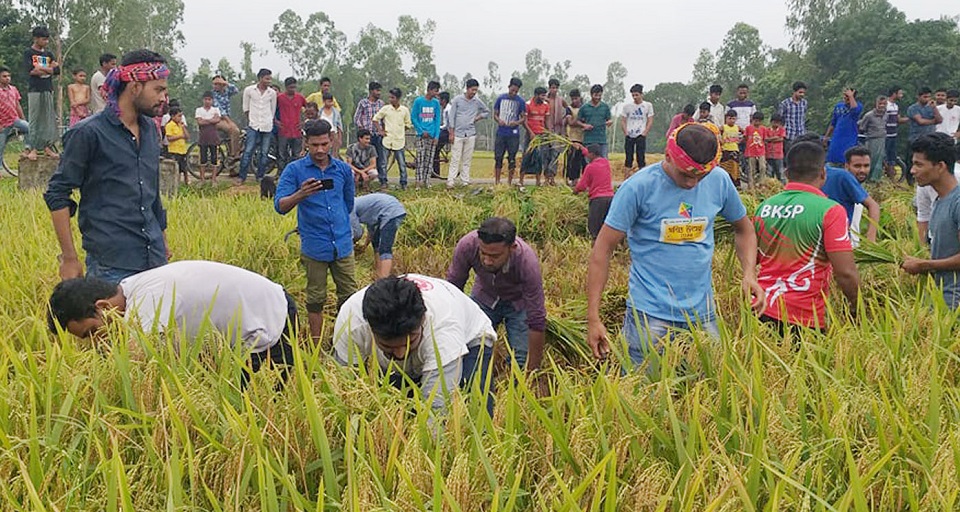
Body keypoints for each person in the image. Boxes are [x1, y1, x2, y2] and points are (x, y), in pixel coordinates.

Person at [586, 122, 763, 368]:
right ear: (668, 155)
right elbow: (602, 251)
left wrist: (749, 274)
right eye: (685, 175)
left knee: (708, 390)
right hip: (649, 316)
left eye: (700, 176)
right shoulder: (638, 188)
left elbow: (744, 229)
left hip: (703, 313)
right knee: (643, 394)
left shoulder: (719, 180)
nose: (692, 184)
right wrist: (593, 317)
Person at [48, 261, 297, 386]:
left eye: (93, 332)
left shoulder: (146, 301)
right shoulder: (131, 289)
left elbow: (137, 371)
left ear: (103, 306)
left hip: (270, 317)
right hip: (236, 338)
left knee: (254, 414)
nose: (97, 342)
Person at [44, 49, 170, 284]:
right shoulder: (88, 133)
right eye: (159, 90)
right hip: (111, 265)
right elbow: (57, 193)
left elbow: (152, 193)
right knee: (111, 322)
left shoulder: (152, 131)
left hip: (154, 260)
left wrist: (161, 239)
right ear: (134, 87)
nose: (164, 98)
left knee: (157, 322)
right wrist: (70, 258)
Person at [333, 275, 496, 414]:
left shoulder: (443, 330)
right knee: (399, 409)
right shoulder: (351, 322)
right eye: (388, 346)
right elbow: (345, 385)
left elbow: (436, 408)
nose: (400, 354)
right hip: (423, 346)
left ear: (423, 320)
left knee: (473, 407)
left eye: (409, 342)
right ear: (370, 329)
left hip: (471, 340)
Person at [754, 141, 859, 334]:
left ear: (786, 174)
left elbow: (755, 259)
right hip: (802, 316)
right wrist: (856, 306)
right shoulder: (831, 210)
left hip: (760, 309)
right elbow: (845, 272)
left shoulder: (765, 207)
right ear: (823, 173)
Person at [275, 120, 357, 340]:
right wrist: (300, 195)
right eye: (314, 145)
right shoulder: (294, 170)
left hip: (342, 244)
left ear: (331, 141)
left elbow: (348, 203)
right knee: (315, 299)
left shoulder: (342, 170)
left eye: (323, 144)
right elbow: (280, 206)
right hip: (315, 246)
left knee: (350, 297)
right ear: (306, 144)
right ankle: (316, 346)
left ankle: (345, 342)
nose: (320, 150)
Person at [447, 217, 547, 372]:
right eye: (483, 253)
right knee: (473, 353)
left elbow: (537, 318)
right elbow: (452, 289)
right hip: (484, 297)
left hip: (518, 304)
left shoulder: (527, 262)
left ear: (512, 248)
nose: (486, 261)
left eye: (494, 256)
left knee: (521, 359)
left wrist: (532, 372)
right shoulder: (467, 245)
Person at [901, 133, 960, 308]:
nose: (912, 171)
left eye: (919, 164)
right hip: (942, 298)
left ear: (940, 166)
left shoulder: (957, 203)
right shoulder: (939, 201)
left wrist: (924, 265)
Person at [822, 145, 881, 246]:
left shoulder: (830, 174)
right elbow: (873, 206)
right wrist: (871, 241)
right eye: (857, 166)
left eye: (866, 166)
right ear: (846, 166)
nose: (862, 170)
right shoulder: (845, 177)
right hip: (839, 242)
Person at [23, 26, 60, 160]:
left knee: (48, 119)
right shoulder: (29, 53)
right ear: (36, 38)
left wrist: (43, 68)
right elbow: (32, 71)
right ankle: (33, 148)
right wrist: (48, 68)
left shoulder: (48, 54)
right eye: (43, 39)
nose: (46, 42)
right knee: (35, 119)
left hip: (47, 89)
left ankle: (47, 147)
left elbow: (57, 71)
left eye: (47, 39)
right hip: (35, 90)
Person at [350, 192, 407, 278]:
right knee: (375, 242)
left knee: (385, 248)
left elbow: (357, 233)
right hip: (388, 208)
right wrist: (365, 246)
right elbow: (371, 231)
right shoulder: (364, 208)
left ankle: (383, 281)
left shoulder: (349, 208)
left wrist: (350, 244)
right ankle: (378, 273)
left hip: (391, 211)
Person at [447, 78, 490, 187]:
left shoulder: (477, 101)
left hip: (470, 133)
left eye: (476, 90)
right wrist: (451, 132)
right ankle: (451, 180)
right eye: (472, 90)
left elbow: (487, 111)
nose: (474, 92)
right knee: (455, 158)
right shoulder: (457, 100)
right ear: (467, 88)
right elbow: (451, 116)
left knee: (467, 159)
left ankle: (465, 180)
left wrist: (478, 117)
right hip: (458, 133)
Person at [239, 68, 277, 184]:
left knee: (264, 153)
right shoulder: (249, 90)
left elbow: (272, 109)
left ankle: (260, 176)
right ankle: (242, 177)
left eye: (270, 78)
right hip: (253, 125)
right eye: (267, 78)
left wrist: (268, 120)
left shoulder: (272, 93)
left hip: (266, 125)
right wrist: (251, 120)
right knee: (248, 152)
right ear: (260, 78)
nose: (269, 81)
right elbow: (246, 108)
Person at [372, 88, 413, 189]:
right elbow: (375, 119)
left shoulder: (404, 110)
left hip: (399, 140)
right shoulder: (386, 109)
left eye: (393, 97)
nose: (390, 99)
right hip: (387, 139)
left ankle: (403, 182)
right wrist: (380, 131)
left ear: (398, 98)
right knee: (383, 163)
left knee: (402, 163)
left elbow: (408, 124)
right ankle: (383, 181)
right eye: (390, 97)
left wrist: (400, 130)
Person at [574, 144, 615, 240]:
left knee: (594, 229)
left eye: (588, 154)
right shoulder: (606, 163)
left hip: (598, 200)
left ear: (592, 154)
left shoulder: (590, 167)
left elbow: (582, 186)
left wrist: (575, 191)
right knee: (606, 227)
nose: (587, 156)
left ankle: (595, 250)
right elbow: (586, 152)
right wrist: (581, 148)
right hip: (610, 198)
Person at [904, 87, 943, 185]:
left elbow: (939, 120)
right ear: (918, 97)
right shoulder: (913, 108)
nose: (927, 99)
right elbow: (920, 121)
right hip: (915, 138)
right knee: (912, 160)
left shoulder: (932, 107)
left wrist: (934, 108)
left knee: (928, 160)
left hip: (930, 138)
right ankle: (910, 180)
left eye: (929, 97)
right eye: (925, 97)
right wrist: (933, 121)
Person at [493, 77, 526, 186]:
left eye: (516, 91)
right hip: (501, 132)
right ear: (509, 87)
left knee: (512, 158)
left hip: (513, 134)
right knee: (498, 157)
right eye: (512, 90)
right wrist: (499, 120)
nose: (514, 93)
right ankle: (497, 182)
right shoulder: (500, 98)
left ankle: (509, 182)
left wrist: (516, 123)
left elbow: (523, 118)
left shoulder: (520, 101)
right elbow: (495, 115)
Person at [354, 82, 386, 185]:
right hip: (367, 136)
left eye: (379, 91)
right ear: (371, 91)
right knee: (363, 158)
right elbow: (357, 118)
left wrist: (383, 130)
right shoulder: (363, 103)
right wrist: (362, 130)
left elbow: (384, 119)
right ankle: (362, 180)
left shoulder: (381, 104)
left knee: (381, 158)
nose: (379, 93)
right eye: (377, 91)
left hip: (378, 135)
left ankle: (383, 181)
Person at [411, 81, 442, 188]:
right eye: (435, 91)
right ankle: (418, 182)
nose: (436, 93)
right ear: (429, 90)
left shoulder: (436, 103)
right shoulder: (418, 101)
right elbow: (414, 117)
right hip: (421, 135)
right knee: (420, 158)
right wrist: (420, 131)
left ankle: (427, 181)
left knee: (429, 159)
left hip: (432, 135)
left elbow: (437, 120)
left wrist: (436, 136)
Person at [825, 88, 863, 166]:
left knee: (847, 157)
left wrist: (851, 96)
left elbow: (854, 110)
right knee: (833, 157)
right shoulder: (838, 106)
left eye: (848, 96)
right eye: (845, 96)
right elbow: (833, 122)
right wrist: (826, 136)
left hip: (850, 137)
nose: (845, 98)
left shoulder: (858, 105)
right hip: (837, 136)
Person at [622, 84, 654, 173]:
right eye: (633, 95)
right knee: (628, 158)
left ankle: (642, 178)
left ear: (641, 94)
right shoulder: (627, 106)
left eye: (637, 95)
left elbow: (650, 120)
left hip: (641, 134)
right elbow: (623, 120)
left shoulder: (647, 105)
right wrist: (626, 132)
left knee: (641, 158)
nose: (635, 97)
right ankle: (626, 179)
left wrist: (645, 132)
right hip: (630, 134)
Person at [276, 77, 306, 172]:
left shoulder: (300, 98)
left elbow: (309, 108)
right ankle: (281, 172)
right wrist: (275, 121)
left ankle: (296, 172)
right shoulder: (280, 98)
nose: (292, 90)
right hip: (283, 130)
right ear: (286, 87)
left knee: (296, 154)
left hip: (296, 130)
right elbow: (271, 110)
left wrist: (303, 121)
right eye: (290, 88)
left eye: (294, 87)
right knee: (282, 153)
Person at [0, 66, 29, 163]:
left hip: (14, 119)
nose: (7, 78)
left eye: (9, 76)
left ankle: (27, 149)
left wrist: (23, 118)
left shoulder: (13, 89)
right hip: (2, 123)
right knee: (1, 146)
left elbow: (17, 105)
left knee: (30, 128)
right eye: (4, 76)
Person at [523, 86, 550, 187]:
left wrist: (548, 132)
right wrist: (530, 133)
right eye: (542, 95)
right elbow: (524, 121)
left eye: (545, 95)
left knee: (540, 158)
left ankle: (538, 182)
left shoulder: (546, 105)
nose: (544, 98)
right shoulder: (528, 104)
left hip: (541, 135)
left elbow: (546, 120)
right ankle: (521, 181)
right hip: (530, 135)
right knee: (527, 156)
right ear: (536, 95)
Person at [858, 96, 889, 182]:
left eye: (884, 104)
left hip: (882, 139)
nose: (882, 106)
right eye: (880, 103)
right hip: (872, 140)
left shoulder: (886, 115)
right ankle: (867, 179)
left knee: (880, 161)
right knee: (871, 159)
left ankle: (876, 180)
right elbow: (862, 127)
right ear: (876, 104)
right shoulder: (869, 115)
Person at [577, 84, 612, 159]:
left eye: (599, 95)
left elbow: (609, 119)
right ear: (591, 94)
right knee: (589, 162)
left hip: (601, 140)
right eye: (596, 95)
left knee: (603, 160)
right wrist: (584, 126)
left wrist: (609, 122)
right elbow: (577, 121)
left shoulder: (605, 107)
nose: (598, 98)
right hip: (589, 140)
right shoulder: (584, 107)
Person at [211, 75, 240, 162]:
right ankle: (234, 155)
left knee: (238, 137)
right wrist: (230, 122)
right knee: (235, 130)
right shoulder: (213, 94)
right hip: (217, 119)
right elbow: (221, 111)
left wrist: (225, 83)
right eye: (214, 84)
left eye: (218, 84)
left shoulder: (226, 92)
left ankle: (232, 165)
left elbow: (236, 90)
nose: (215, 86)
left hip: (226, 118)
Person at [194, 91, 221, 182]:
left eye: (209, 99)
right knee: (202, 159)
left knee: (214, 159)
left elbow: (217, 120)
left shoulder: (216, 109)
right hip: (203, 138)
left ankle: (213, 179)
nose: (207, 101)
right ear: (203, 100)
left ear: (212, 100)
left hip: (213, 137)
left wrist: (205, 120)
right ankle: (202, 179)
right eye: (206, 99)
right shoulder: (199, 110)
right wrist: (211, 120)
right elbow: (199, 122)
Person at [544, 78, 567, 179]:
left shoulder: (560, 100)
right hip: (545, 130)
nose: (554, 90)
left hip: (557, 131)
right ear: (549, 88)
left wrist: (565, 119)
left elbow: (568, 109)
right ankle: (545, 177)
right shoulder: (545, 100)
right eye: (553, 88)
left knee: (555, 154)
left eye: (556, 88)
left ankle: (552, 177)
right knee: (545, 154)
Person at [884, 86, 907, 179]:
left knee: (892, 156)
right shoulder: (886, 104)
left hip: (893, 134)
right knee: (885, 156)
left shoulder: (895, 106)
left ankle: (891, 178)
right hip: (886, 134)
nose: (901, 95)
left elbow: (898, 120)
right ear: (894, 94)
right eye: (900, 93)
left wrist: (910, 118)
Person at [777, 81, 808, 150]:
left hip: (801, 135)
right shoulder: (785, 103)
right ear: (794, 92)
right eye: (800, 92)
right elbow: (779, 119)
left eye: (803, 93)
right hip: (789, 135)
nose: (802, 95)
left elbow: (803, 117)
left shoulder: (804, 103)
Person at [564, 89, 586, 185]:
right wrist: (580, 122)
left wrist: (578, 122)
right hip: (572, 138)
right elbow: (570, 123)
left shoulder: (585, 108)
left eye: (576, 99)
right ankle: (571, 179)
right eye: (572, 99)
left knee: (582, 161)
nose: (574, 101)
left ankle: (582, 180)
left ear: (580, 98)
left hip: (583, 138)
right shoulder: (569, 109)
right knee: (571, 160)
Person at [164, 107, 189, 184]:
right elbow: (169, 138)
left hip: (182, 150)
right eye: (179, 116)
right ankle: (175, 183)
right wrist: (180, 136)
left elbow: (187, 136)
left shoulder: (180, 125)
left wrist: (183, 127)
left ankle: (186, 183)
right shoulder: (169, 125)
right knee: (176, 169)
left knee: (185, 169)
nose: (180, 118)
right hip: (174, 151)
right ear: (172, 116)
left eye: (181, 116)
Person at [743, 111, 767, 187]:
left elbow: (764, 139)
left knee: (762, 167)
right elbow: (745, 138)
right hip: (751, 151)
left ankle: (762, 183)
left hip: (761, 151)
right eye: (755, 121)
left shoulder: (763, 129)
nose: (757, 123)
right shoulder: (748, 128)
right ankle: (751, 185)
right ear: (752, 120)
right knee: (751, 169)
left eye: (759, 121)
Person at [720, 110, 743, 188]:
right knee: (725, 167)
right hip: (726, 150)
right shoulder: (723, 127)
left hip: (735, 150)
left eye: (733, 119)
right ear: (726, 118)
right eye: (730, 118)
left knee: (735, 167)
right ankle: (724, 184)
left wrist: (740, 140)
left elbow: (745, 133)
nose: (732, 120)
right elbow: (716, 133)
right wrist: (721, 141)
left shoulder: (737, 127)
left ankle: (735, 185)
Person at [319, 92, 343, 156]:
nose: (331, 103)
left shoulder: (336, 112)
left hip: (333, 134)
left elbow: (339, 126)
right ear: (324, 101)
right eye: (329, 101)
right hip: (322, 134)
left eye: (331, 101)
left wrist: (340, 138)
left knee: (334, 154)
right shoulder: (319, 111)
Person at [433, 90, 451, 178]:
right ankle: (435, 172)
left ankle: (435, 173)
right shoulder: (444, 109)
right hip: (445, 130)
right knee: (435, 151)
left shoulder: (448, 110)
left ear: (443, 100)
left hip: (447, 132)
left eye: (439, 99)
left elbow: (447, 125)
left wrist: (438, 127)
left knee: (434, 149)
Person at [766, 113, 787, 181]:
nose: (776, 124)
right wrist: (776, 138)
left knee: (780, 172)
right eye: (774, 122)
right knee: (769, 172)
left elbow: (781, 139)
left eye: (778, 122)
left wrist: (771, 139)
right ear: (771, 122)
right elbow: (766, 139)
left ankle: (782, 187)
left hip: (778, 155)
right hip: (768, 154)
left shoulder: (782, 129)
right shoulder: (767, 130)